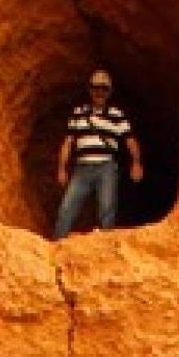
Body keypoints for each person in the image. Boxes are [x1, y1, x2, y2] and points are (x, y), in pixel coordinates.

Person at [53, 69, 143, 240]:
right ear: (90, 89)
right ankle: (57, 245)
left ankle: (105, 249)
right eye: (96, 87)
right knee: (66, 208)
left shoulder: (116, 115)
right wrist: (62, 169)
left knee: (106, 210)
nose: (99, 92)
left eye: (103, 88)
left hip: (106, 167)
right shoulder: (79, 112)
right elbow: (68, 142)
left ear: (109, 91)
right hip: (82, 168)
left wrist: (136, 163)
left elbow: (130, 140)